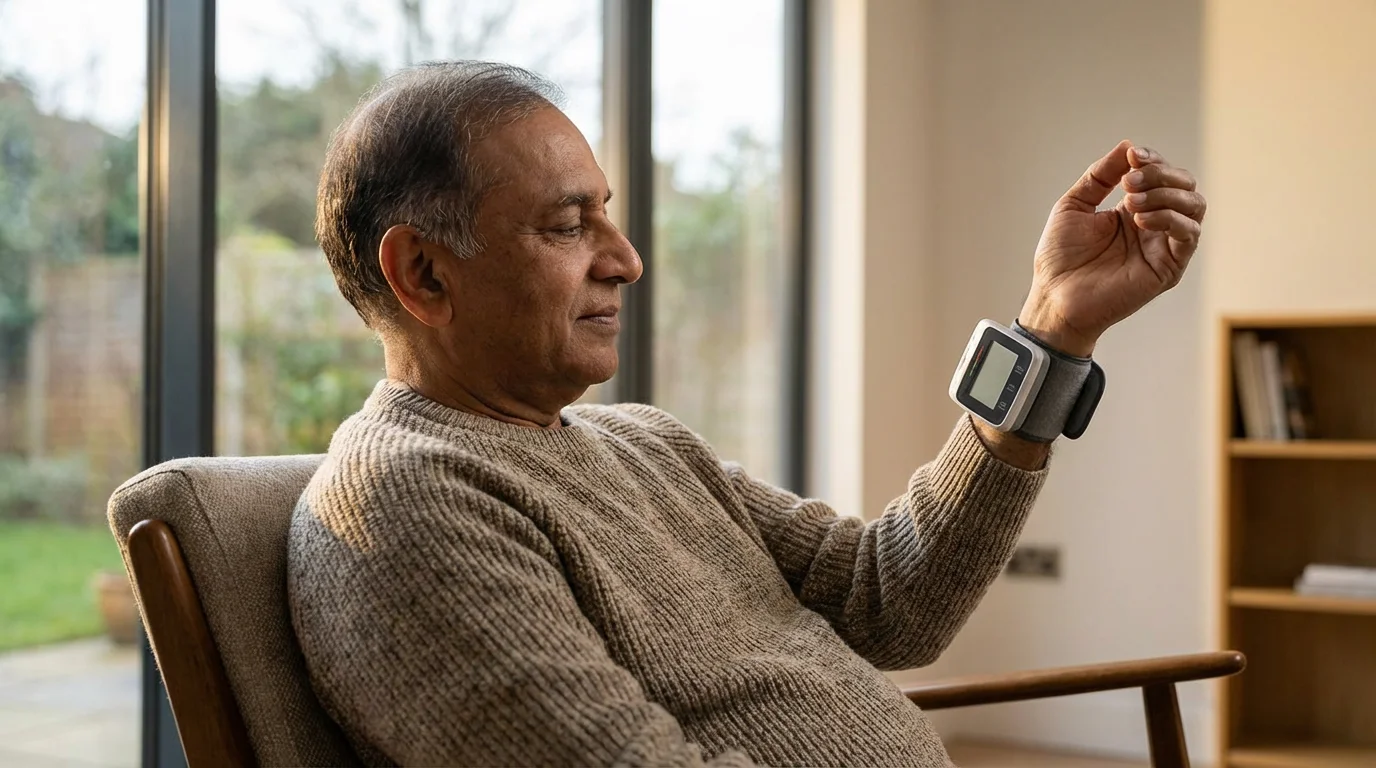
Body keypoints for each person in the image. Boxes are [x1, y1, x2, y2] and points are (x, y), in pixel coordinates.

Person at [289, 61, 1205, 767]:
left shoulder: (642, 443)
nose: (627, 260)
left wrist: (1053, 327)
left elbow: (888, 604)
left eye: (605, 214)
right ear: (423, 273)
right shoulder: (405, 505)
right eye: (567, 227)